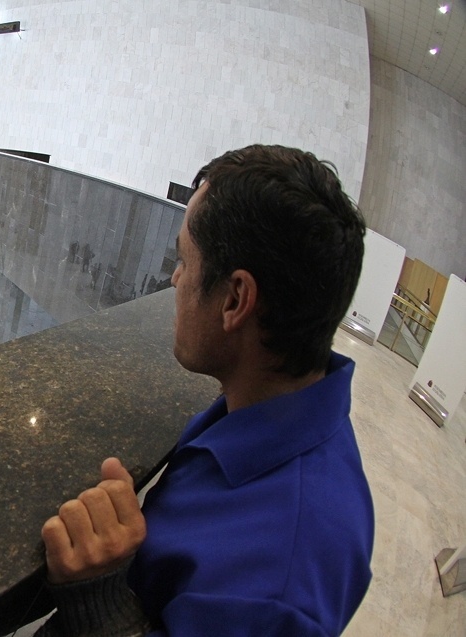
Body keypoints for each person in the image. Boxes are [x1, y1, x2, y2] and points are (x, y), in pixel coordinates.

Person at [36, 145, 373, 637]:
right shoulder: (265, 401)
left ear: (235, 299)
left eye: (184, 261)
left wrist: (98, 598)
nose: (174, 279)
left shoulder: (280, 589)